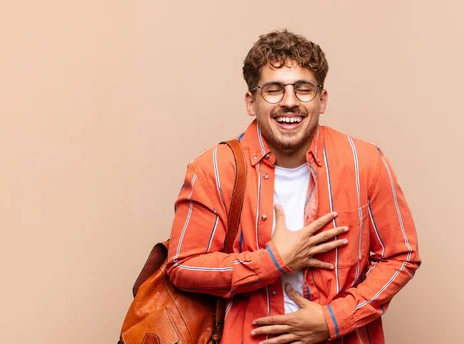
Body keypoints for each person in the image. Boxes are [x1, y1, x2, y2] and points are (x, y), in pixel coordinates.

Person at [166, 29, 421, 344]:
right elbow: (183, 265)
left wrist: (334, 320)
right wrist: (273, 261)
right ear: (251, 101)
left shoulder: (364, 163)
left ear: (322, 99)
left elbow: (401, 255)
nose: (290, 102)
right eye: (273, 89)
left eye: (303, 89)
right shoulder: (214, 170)